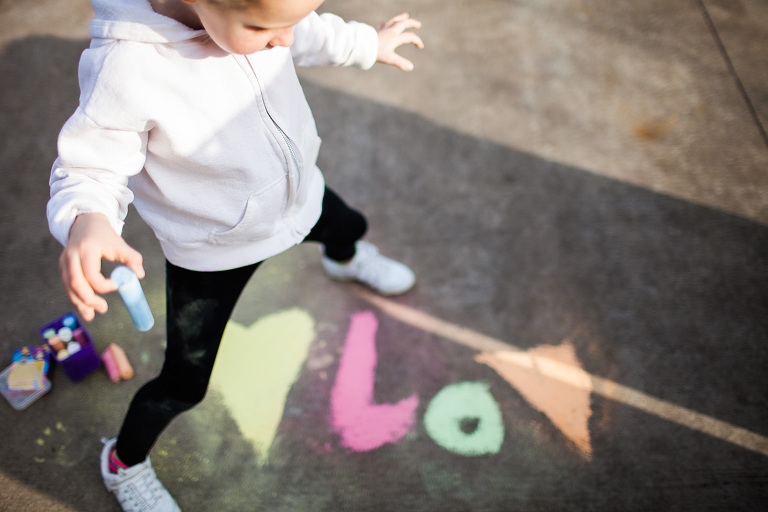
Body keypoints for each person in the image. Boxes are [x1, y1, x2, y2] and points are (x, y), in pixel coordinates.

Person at [46, 0, 424, 510]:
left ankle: (345, 257)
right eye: (264, 28)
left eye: (287, 23)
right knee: (185, 381)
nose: (284, 41)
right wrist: (88, 219)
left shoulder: (264, 18)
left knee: (349, 225)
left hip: (298, 200)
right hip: (215, 249)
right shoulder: (129, 66)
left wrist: (364, 44)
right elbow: (91, 165)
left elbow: (304, 31)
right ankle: (123, 462)